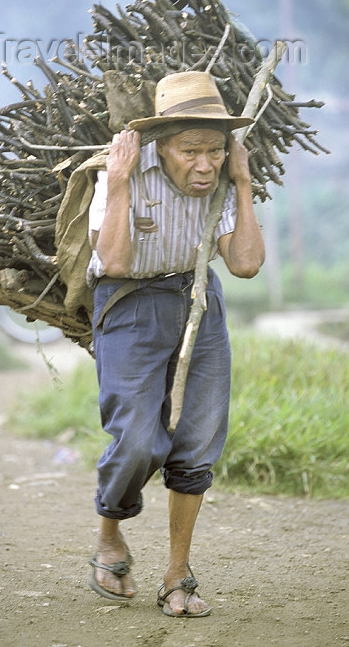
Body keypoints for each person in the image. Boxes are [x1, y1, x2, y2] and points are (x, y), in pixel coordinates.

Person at [86, 71, 265, 617]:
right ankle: (110, 535)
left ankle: (177, 571)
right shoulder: (123, 173)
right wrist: (117, 186)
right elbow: (113, 263)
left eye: (215, 150)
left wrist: (242, 181)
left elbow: (246, 264)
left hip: (196, 300)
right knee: (138, 441)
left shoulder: (223, 180)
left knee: (198, 438)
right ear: (162, 146)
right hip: (130, 305)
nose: (204, 164)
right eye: (191, 151)